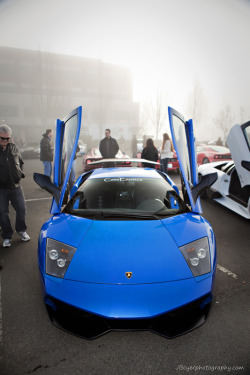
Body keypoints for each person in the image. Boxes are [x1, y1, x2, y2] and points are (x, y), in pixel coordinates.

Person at [0, 125, 30, 248]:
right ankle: (7, 236)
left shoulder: (14, 148)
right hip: (1, 188)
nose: (5, 141)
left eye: (8, 138)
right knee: (2, 213)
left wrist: (21, 172)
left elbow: (21, 162)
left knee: (21, 209)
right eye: (3, 138)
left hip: (16, 186)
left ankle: (21, 230)